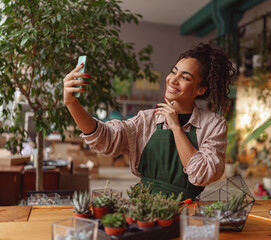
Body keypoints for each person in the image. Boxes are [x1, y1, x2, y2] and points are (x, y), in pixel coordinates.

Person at [63, 43, 235, 199]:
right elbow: (105, 138)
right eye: (174, 72)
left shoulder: (213, 124)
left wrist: (176, 128)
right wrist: (72, 104)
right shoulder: (147, 119)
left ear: (201, 89)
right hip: (144, 206)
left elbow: (202, 174)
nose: (173, 79)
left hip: (187, 211)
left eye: (185, 77)